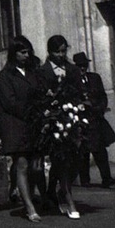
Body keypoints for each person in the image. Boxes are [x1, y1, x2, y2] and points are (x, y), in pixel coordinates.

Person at [0, 36, 46, 222]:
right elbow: (9, 102)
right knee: (23, 165)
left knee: (36, 166)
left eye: (28, 52)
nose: (26, 55)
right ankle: (29, 207)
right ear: (14, 54)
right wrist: (32, 112)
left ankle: (34, 196)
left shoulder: (33, 72)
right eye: (22, 52)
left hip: (33, 125)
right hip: (16, 126)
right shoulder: (6, 75)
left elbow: (40, 92)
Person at [39, 35, 82, 217]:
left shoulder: (72, 69)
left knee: (75, 159)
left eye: (64, 50)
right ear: (50, 52)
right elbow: (40, 95)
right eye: (57, 51)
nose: (61, 54)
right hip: (54, 120)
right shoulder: (43, 71)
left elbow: (79, 91)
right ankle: (67, 197)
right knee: (61, 159)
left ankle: (53, 191)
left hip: (71, 117)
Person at [71, 52, 115, 188]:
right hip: (80, 120)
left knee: (100, 150)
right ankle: (85, 180)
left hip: (95, 119)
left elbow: (103, 97)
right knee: (82, 152)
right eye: (79, 66)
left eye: (84, 65)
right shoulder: (72, 82)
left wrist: (97, 107)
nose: (82, 68)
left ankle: (106, 178)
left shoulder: (95, 78)